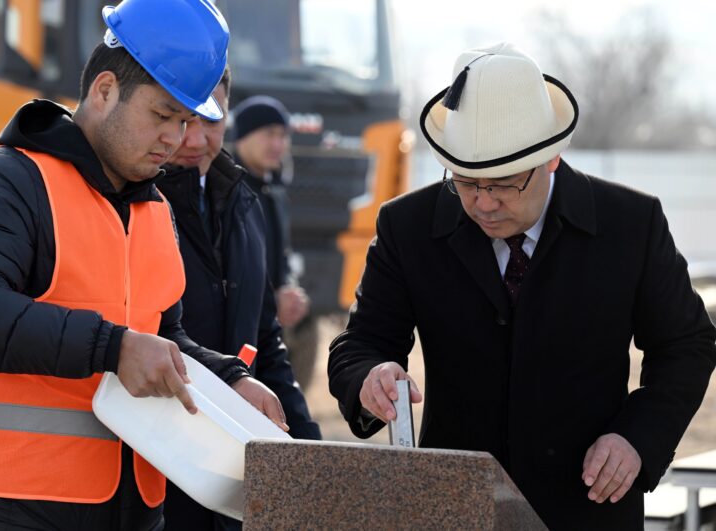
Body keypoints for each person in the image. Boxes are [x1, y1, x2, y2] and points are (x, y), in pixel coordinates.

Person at [327, 42, 716, 530]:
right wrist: (369, 376)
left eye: (504, 183)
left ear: (551, 159)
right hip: (453, 509)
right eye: (466, 182)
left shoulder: (632, 223)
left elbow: (686, 345)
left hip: (587, 508)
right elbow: (360, 343)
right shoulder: (406, 226)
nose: (483, 203)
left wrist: (637, 438)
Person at [0, 1, 286, 530]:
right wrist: (113, 348)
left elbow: (164, 337)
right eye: (162, 115)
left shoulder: (154, 210)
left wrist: (230, 381)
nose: (176, 138)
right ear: (104, 91)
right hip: (7, 510)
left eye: (185, 120)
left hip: (134, 514)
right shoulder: (6, 181)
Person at [158, 67, 321, 530]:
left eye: (210, 118)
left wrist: (309, 448)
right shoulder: (134, 205)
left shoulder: (246, 206)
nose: (194, 139)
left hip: (230, 471)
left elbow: (265, 340)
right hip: (157, 469)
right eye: (180, 117)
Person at [231, 96, 310, 329]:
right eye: (269, 134)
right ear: (242, 137)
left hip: (268, 329)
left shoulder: (275, 192)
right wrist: (270, 302)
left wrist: (289, 291)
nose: (278, 144)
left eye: (283, 135)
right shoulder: (227, 191)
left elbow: (282, 255)